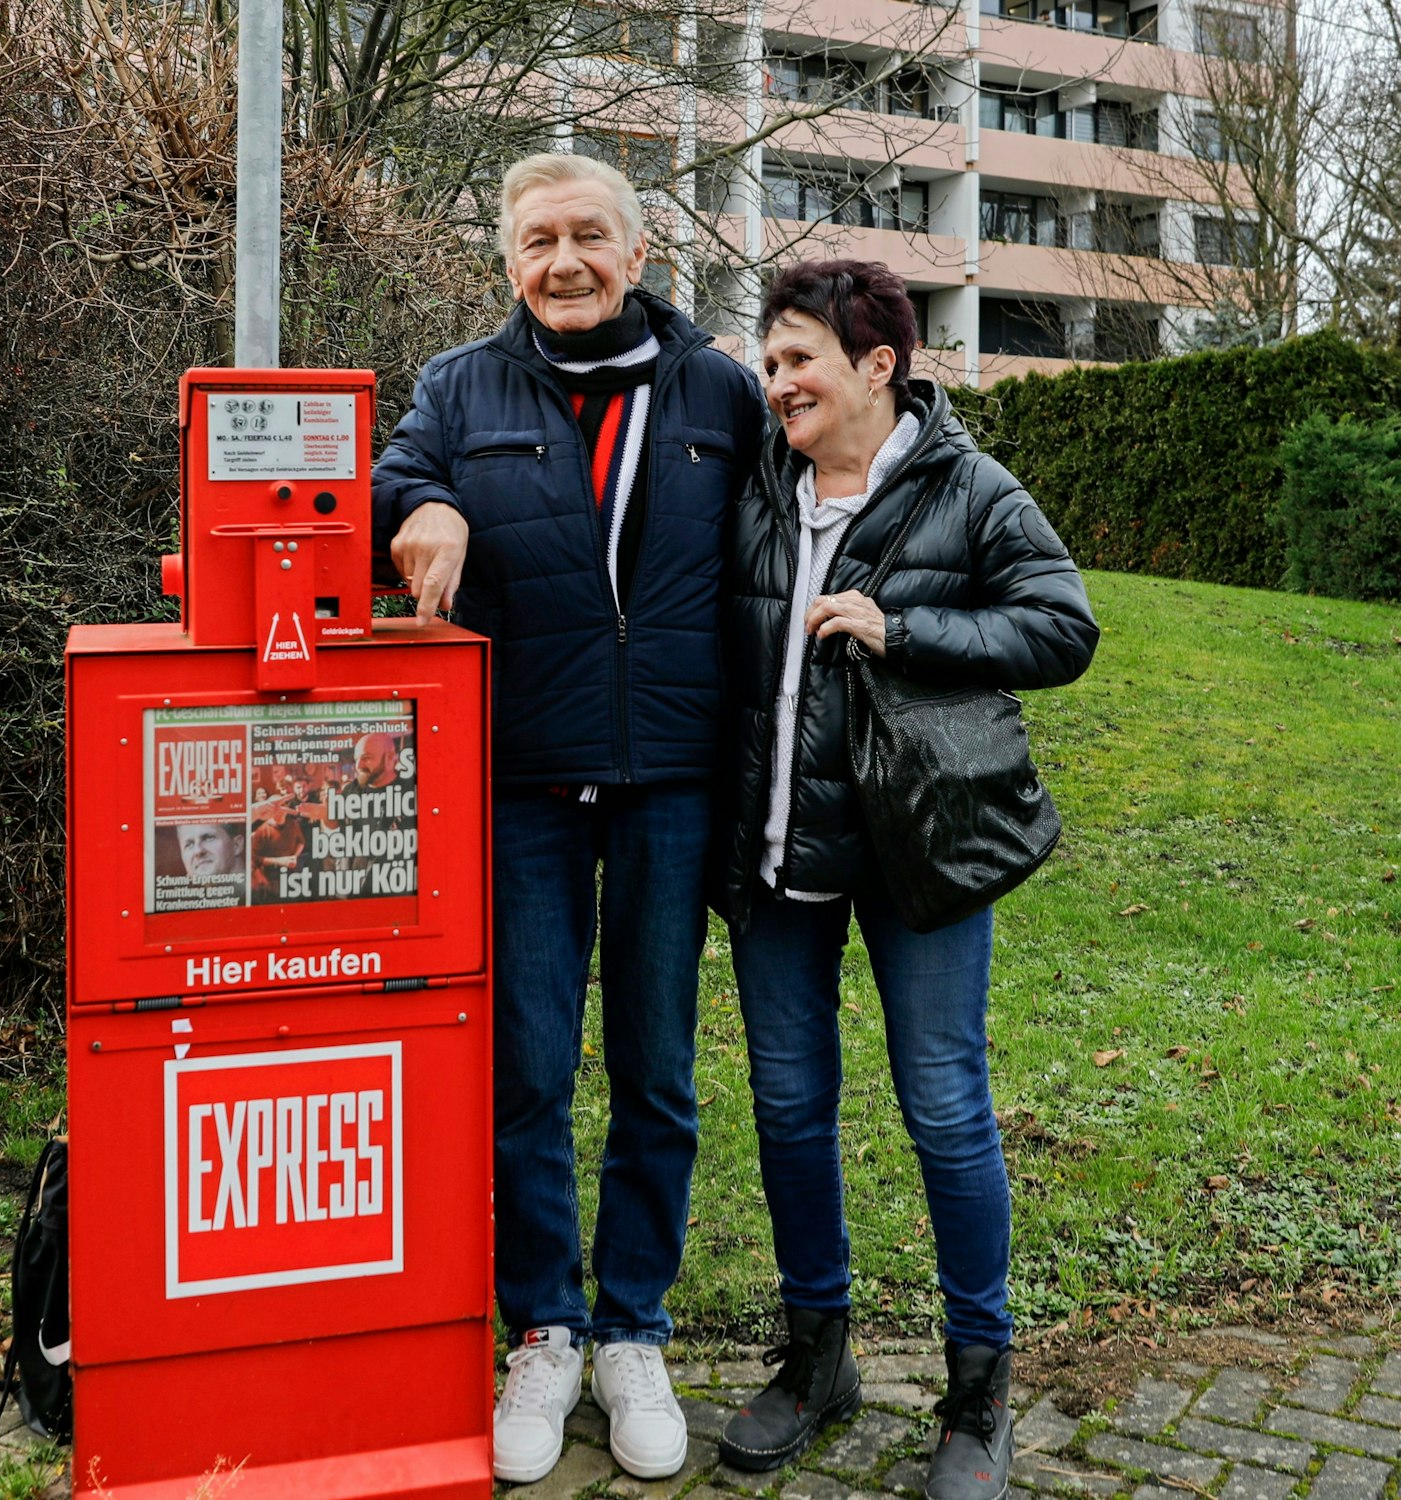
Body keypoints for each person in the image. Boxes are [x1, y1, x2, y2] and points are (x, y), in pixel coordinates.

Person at [372, 151, 766, 1485]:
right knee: (527, 1070)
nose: (563, 263)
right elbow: (382, 485)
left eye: (587, 236)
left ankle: (633, 1330)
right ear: (508, 263)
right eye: (537, 241)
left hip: (668, 776)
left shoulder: (718, 387)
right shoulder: (458, 386)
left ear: (638, 251)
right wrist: (419, 505)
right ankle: (543, 1327)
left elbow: (817, 500)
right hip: (524, 780)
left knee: (656, 1070)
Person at [712, 260, 1098, 1494]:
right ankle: (817, 1357)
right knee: (787, 1108)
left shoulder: (966, 486)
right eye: (768, 365)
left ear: (878, 366)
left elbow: (1061, 626)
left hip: (916, 854)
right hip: (777, 854)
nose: (777, 385)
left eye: (798, 361)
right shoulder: (758, 485)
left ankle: (977, 1394)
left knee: (941, 1110)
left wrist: (905, 626)